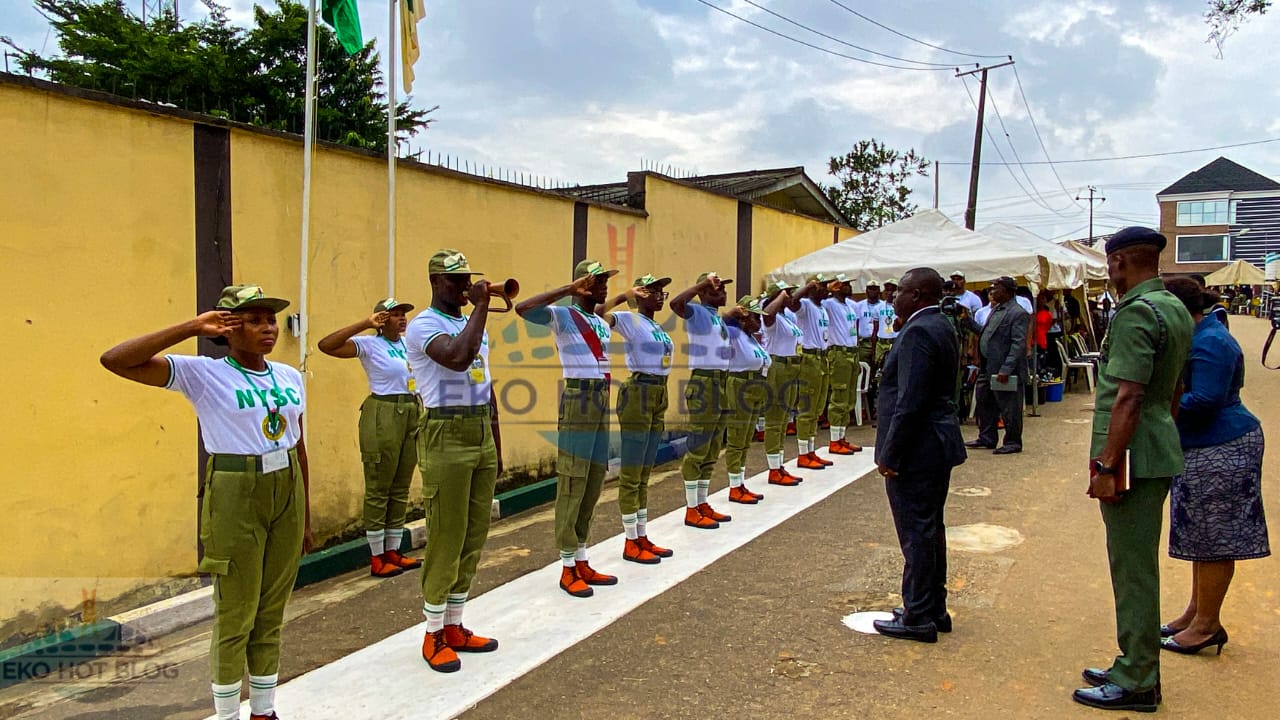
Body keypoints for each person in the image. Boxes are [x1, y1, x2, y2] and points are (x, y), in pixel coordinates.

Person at [100, 285, 312, 720]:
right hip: (236, 491)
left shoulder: (289, 376)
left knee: (272, 609)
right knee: (237, 613)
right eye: (253, 320)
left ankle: (264, 710)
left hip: (286, 486)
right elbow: (116, 360)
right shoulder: (204, 374)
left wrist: (305, 517)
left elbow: (300, 444)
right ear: (228, 330)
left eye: (270, 319)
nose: (268, 328)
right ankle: (227, 714)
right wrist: (193, 326)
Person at [1073, 227, 1192, 713]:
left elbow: (1129, 395)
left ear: (1120, 262)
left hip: (1132, 458)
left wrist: (1107, 464)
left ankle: (1139, 675)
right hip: (1155, 447)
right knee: (1135, 566)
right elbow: (1174, 388)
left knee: (1133, 570)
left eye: (1109, 264)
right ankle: (1134, 660)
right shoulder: (1174, 308)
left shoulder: (1137, 313)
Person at [407, 250, 504, 672]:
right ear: (435, 282)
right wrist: (481, 305)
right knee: (447, 534)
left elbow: (484, 381)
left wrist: (496, 444)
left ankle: (455, 623)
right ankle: (432, 633)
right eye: (456, 280)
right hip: (444, 431)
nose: (465, 286)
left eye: (468, 278)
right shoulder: (424, 325)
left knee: (474, 533)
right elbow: (457, 357)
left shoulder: (473, 324)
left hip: (478, 427)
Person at [1159, 278, 1268, 655]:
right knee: (1202, 537)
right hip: (1206, 446)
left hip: (1222, 445)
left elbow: (1204, 399)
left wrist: (1157, 408)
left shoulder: (1210, 341)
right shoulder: (1201, 335)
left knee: (1217, 537)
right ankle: (1196, 612)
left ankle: (1208, 623)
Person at [871, 268, 966, 643]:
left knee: (916, 533)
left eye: (901, 291)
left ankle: (917, 617)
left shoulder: (918, 331)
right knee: (930, 530)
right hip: (935, 444)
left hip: (918, 447)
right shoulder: (941, 324)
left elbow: (911, 401)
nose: (894, 296)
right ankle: (932, 607)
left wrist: (890, 453)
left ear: (918, 295)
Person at [517, 260, 619, 596]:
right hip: (578, 398)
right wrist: (567, 289)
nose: (604, 284)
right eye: (598, 280)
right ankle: (566, 566)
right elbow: (524, 308)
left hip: (601, 398)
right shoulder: (564, 317)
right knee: (573, 479)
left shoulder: (596, 320)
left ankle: (581, 555)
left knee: (593, 477)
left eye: (605, 280)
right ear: (583, 284)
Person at [317, 298, 422, 579]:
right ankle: (376, 556)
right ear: (382, 318)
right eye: (395, 314)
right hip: (384, 412)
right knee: (380, 484)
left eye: (403, 314)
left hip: (411, 410)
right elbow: (327, 345)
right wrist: (364, 323)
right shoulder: (370, 345)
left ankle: (393, 551)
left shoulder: (406, 345)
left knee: (400, 485)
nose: (402, 319)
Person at [601, 274, 677, 563]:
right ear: (640, 293)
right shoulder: (629, 320)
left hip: (659, 392)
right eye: (653, 290)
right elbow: (594, 315)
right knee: (633, 471)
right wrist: (623, 295)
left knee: (645, 469)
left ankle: (642, 535)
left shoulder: (656, 325)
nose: (660, 296)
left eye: (662, 292)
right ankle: (631, 540)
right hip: (639, 392)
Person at [670, 271, 736, 529]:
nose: (723, 293)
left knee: (712, 447)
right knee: (698, 446)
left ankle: (702, 501)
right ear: (703, 293)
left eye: (723, 289)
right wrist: (700, 285)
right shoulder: (696, 313)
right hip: (705, 381)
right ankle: (691, 508)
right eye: (717, 289)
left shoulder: (715, 316)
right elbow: (676, 304)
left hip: (720, 380)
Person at [968, 277, 1030, 455]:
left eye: (996, 288)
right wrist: (967, 321)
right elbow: (985, 333)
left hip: (1004, 369)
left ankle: (1012, 441)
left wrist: (1006, 368)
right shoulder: (996, 310)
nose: (992, 291)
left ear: (1008, 291)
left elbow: (1018, 344)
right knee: (984, 402)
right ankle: (987, 437)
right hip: (988, 366)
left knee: (1010, 407)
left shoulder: (1017, 313)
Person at [722, 295, 771, 504]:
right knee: (737, 437)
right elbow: (721, 323)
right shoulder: (733, 333)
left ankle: (740, 483)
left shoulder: (750, 337)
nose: (759, 323)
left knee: (746, 438)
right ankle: (734, 486)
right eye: (755, 318)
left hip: (755, 386)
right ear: (743, 319)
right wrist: (734, 312)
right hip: (740, 385)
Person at [759, 280, 806, 486]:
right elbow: (767, 314)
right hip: (777, 365)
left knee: (784, 417)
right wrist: (780, 297)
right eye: (785, 293)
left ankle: (779, 465)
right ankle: (773, 468)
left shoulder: (788, 316)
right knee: (775, 419)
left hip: (792, 366)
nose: (790, 296)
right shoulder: (771, 317)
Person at [792, 275, 834, 470]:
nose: (826, 289)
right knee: (807, 407)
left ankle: (810, 450)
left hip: (822, 357)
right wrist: (806, 287)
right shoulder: (806, 306)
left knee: (817, 407)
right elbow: (792, 301)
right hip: (809, 358)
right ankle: (802, 453)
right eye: (822, 286)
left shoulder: (822, 308)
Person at [821, 275, 863, 455]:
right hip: (839, 353)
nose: (849, 287)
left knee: (849, 398)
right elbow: (815, 298)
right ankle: (834, 440)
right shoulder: (829, 303)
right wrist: (830, 287)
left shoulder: (850, 305)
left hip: (852, 352)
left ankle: (841, 437)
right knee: (839, 395)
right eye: (845, 285)